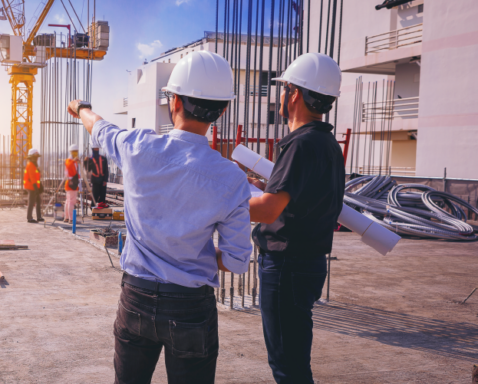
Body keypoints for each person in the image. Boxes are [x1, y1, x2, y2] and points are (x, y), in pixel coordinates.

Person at [67, 51, 252, 383]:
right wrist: (192, 254)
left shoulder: (138, 147)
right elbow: (237, 261)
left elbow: (100, 127)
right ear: (221, 110)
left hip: (136, 297)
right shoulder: (232, 179)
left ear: (175, 101)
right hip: (191, 307)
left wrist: (81, 108)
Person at [247, 52, 345, 384]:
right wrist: (263, 187)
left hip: (287, 265)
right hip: (307, 263)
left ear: (296, 93)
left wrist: (221, 201)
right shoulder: (326, 143)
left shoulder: (300, 144)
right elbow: (302, 199)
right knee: (293, 359)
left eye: (285, 88)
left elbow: (267, 210)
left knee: (287, 365)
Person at [24, 148, 44, 223]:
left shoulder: (34, 165)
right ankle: (29, 218)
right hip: (31, 186)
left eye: (37, 157)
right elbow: (32, 178)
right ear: (31, 157)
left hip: (35, 186)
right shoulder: (31, 165)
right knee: (31, 202)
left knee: (38, 201)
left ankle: (39, 217)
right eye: (35, 157)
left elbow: (37, 177)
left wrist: (40, 186)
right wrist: (36, 188)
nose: (36, 158)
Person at [63, 144, 80, 224]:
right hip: (71, 183)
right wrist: (74, 161)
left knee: (68, 201)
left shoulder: (72, 161)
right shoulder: (70, 161)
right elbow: (71, 170)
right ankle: (71, 219)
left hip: (70, 183)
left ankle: (67, 218)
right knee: (71, 202)